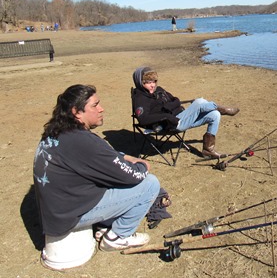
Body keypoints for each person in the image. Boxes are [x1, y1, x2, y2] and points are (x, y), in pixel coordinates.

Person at [33, 84, 160, 252]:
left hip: (56, 212)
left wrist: (122, 156)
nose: (101, 109)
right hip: (68, 217)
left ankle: (104, 226)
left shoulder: (58, 132)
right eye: (95, 105)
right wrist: (142, 165)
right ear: (76, 112)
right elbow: (131, 176)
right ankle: (118, 236)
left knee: (109, 177)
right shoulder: (84, 142)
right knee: (149, 184)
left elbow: (101, 157)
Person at [132, 66, 239, 159]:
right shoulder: (140, 98)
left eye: (154, 81)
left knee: (215, 115)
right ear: (140, 83)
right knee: (199, 102)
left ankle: (208, 150)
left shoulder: (159, 90)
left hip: (180, 117)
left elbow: (176, 100)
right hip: (171, 124)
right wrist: (166, 116)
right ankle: (220, 108)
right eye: (148, 82)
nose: (152, 85)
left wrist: (168, 107)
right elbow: (143, 119)